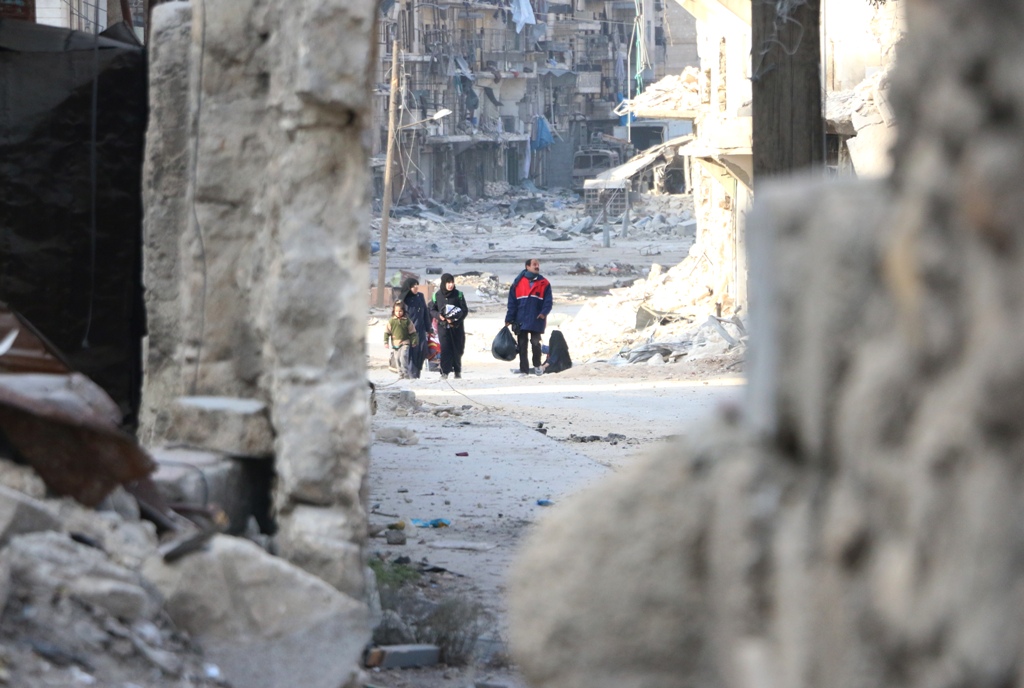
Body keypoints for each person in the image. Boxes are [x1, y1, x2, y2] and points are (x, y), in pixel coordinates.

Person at [506, 258, 552, 376]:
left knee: (536, 343)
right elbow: (512, 303)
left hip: (537, 319)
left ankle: (537, 365)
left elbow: (548, 302)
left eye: (538, 264)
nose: (537, 266)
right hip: (520, 319)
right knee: (522, 345)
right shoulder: (517, 283)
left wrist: (543, 313)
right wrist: (509, 318)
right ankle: (524, 371)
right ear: (527, 266)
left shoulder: (544, 283)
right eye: (534, 264)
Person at [429, 273, 469, 379]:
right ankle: (444, 372)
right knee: (445, 349)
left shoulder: (459, 295)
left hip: (457, 327)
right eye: (448, 282)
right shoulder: (437, 295)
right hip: (443, 327)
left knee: (458, 349)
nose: (450, 285)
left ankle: (457, 371)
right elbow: (432, 310)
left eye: (452, 282)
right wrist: (439, 316)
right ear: (443, 283)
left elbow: (464, 310)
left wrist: (455, 320)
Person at [400, 277, 431, 379]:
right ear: (408, 287)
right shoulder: (402, 300)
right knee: (410, 353)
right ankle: (410, 374)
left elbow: (425, 313)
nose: (416, 287)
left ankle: (416, 374)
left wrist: (429, 328)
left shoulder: (420, 296)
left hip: (420, 330)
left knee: (421, 351)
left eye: (417, 285)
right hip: (408, 331)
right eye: (413, 286)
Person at [384, 301, 418, 379]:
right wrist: (386, 342)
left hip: (405, 342)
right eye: (396, 311)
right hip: (395, 344)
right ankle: (400, 374)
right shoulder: (391, 321)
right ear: (394, 311)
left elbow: (413, 332)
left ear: (403, 311)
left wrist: (414, 341)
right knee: (397, 359)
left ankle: (406, 374)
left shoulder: (407, 321)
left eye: (400, 311)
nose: (398, 313)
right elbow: (387, 332)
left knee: (403, 357)